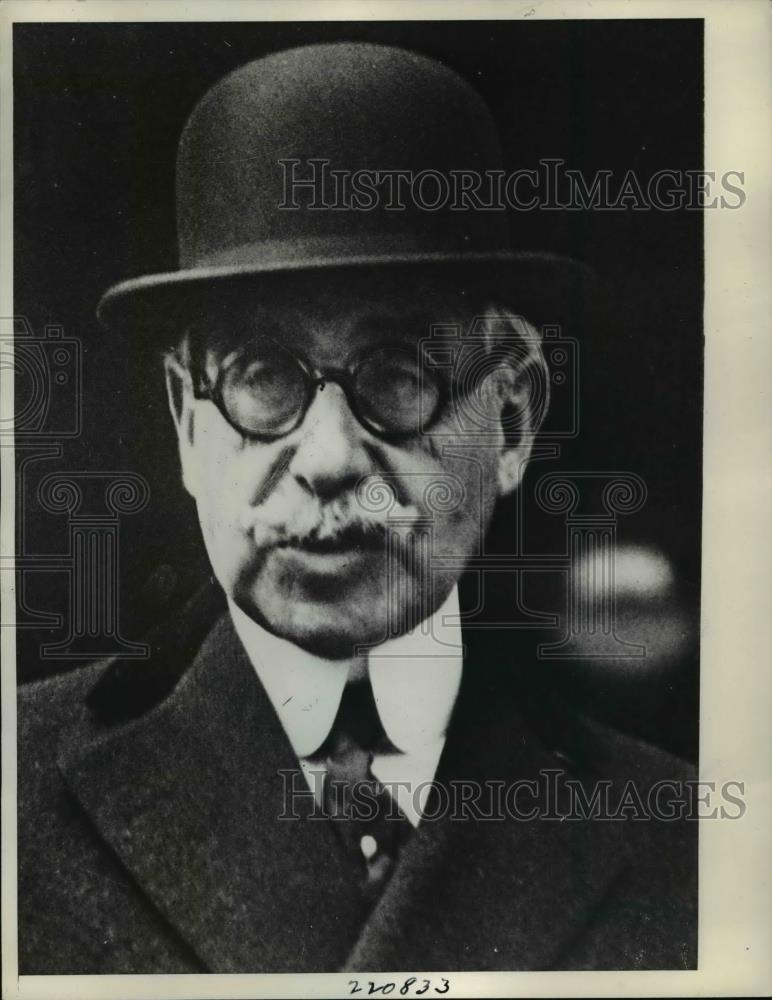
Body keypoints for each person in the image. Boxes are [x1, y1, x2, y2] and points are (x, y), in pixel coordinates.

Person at [17, 42, 696, 974]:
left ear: (511, 420)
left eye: (397, 374)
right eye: (265, 378)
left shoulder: (686, 837)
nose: (331, 460)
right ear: (185, 421)